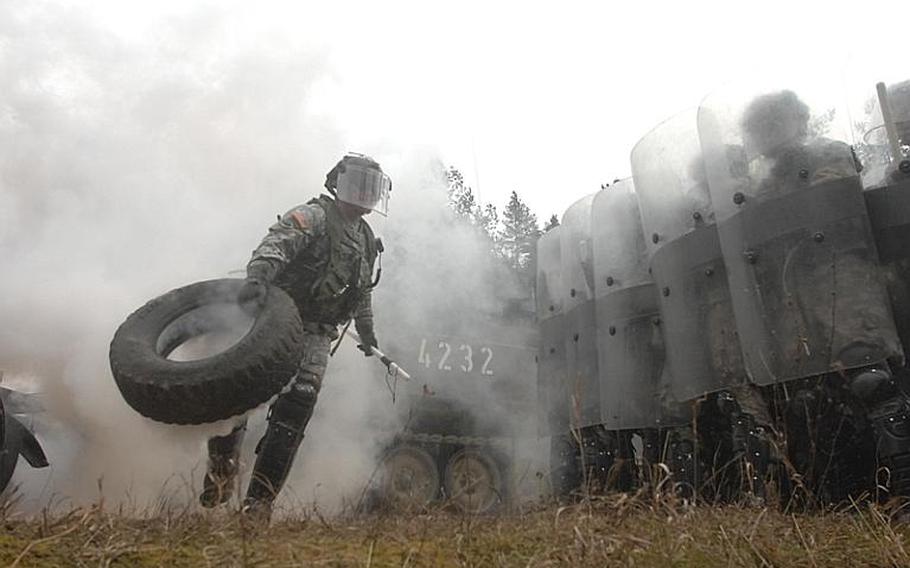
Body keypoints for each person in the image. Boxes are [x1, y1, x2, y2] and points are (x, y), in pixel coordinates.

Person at [199, 153, 390, 516]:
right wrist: (258, 278)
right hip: (276, 319)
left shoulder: (366, 239)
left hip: (318, 334)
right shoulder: (314, 215)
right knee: (238, 397)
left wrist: (368, 333)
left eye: (371, 187)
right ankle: (221, 476)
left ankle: (258, 505)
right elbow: (276, 245)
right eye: (358, 184)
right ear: (338, 183)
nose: (364, 193)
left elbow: (362, 292)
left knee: (294, 414)